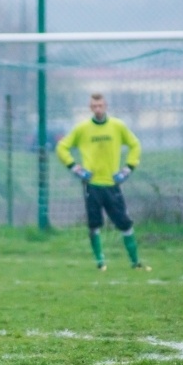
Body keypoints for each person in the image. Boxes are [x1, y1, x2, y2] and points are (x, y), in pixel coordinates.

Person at [56, 93, 151, 272]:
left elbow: (135, 145)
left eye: (100, 106)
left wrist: (128, 168)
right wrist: (76, 168)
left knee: (124, 222)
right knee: (94, 224)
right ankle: (100, 263)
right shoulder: (82, 128)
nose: (98, 109)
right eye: (94, 106)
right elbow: (62, 147)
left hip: (112, 184)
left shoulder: (117, 126)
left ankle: (135, 262)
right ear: (90, 108)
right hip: (91, 185)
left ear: (106, 106)